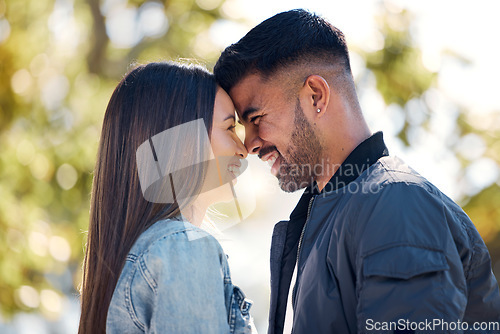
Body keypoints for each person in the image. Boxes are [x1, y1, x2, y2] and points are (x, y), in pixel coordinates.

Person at [214, 9, 500, 334]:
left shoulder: (396, 205)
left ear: (316, 96)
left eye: (256, 119)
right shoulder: (330, 216)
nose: (249, 144)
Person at [78, 62, 255, 334]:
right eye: (229, 128)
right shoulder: (182, 248)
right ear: (183, 140)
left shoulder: (139, 253)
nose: (243, 149)